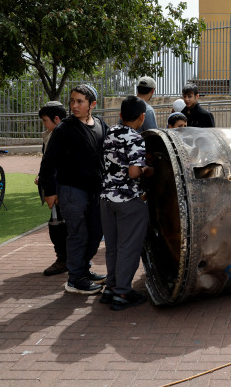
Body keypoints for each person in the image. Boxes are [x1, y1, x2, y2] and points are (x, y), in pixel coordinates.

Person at [39, 84, 107, 295]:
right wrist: (50, 191)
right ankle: (75, 278)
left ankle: (83, 269)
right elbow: (48, 163)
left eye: (80, 101)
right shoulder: (65, 128)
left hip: (95, 190)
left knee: (96, 232)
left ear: (92, 104)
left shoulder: (101, 125)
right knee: (78, 233)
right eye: (72, 101)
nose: (74, 105)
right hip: (71, 190)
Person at [99, 95, 153, 311]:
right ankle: (123, 291)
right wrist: (148, 170)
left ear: (121, 115)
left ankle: (111, 287)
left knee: (112, 246)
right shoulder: (135, 138)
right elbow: (133, 172)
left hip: (106, 198)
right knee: (128, 246)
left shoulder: (110, 132)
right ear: (142, 117)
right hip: (128, 200)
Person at [36, 101, 68, 276]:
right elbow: (47, 163)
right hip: (55, 187)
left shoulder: (62, 135)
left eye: (45, 120)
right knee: (59, 222)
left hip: (61, 189)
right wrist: (41, 177)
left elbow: (58, 166)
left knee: (59, 224)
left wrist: (51, 190)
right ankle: (67, 257)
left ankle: (64, 259)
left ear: (56, 119)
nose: (44, 124)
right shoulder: (49, 135)